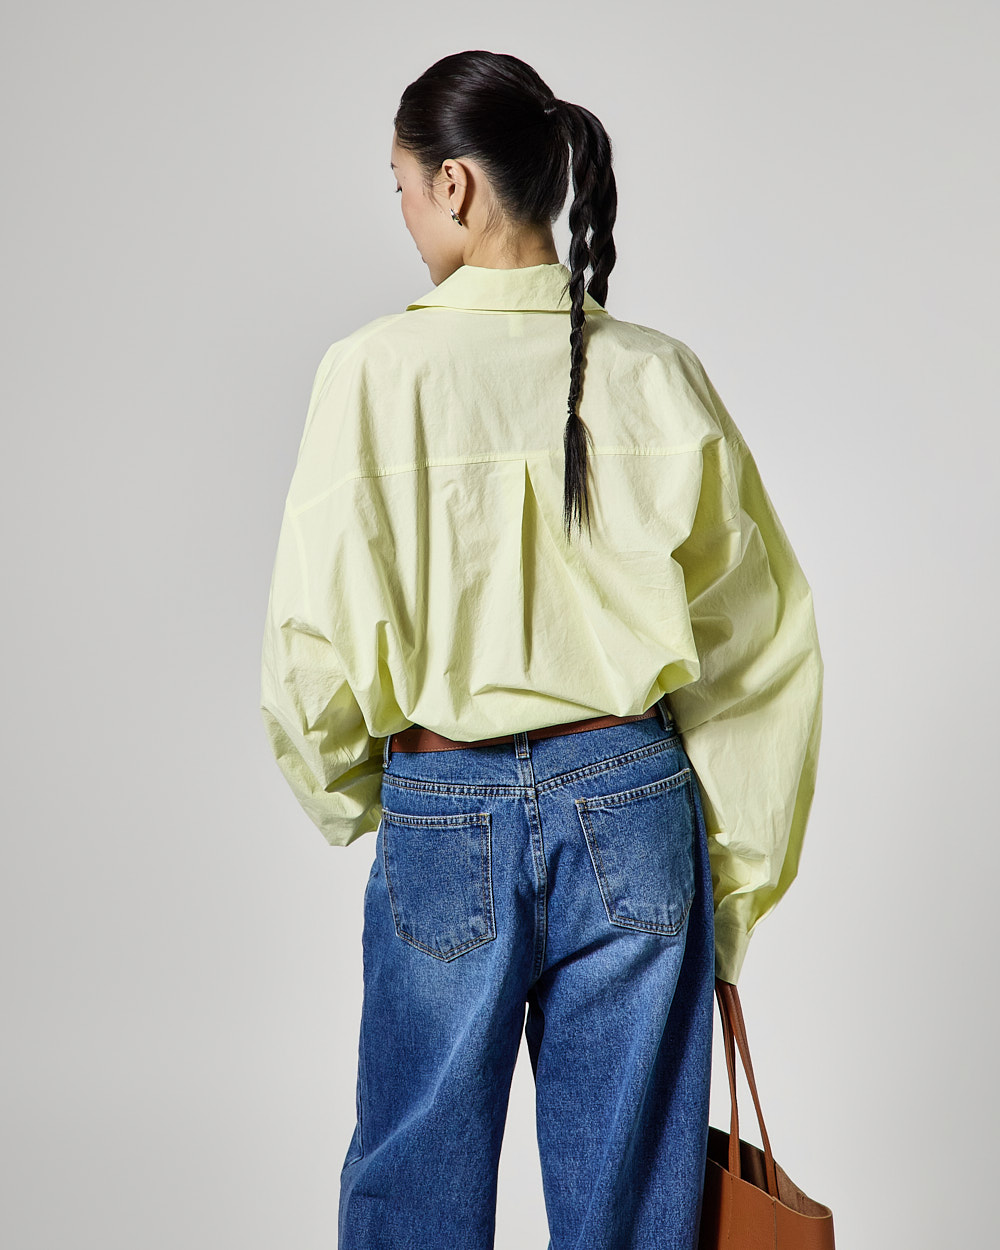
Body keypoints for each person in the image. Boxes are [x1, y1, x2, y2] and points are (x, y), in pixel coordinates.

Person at [258, 48, 824, 1250]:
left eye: (402, 186)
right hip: (633, 806)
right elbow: (758, 650)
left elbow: (310, 640)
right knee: (632, 1205)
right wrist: (733, 887)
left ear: (454, 185)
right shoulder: (657, 375)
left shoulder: (367, 374)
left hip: (441, 796)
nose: (405, 212)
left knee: (411, 1190)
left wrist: (371, 793)